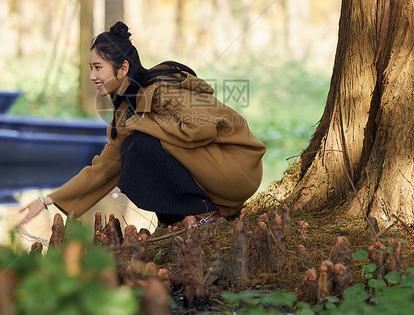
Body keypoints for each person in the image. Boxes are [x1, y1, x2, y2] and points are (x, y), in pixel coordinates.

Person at [16, 22, 266, 227]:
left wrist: (141, 125)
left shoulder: (164, 88)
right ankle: (177, 223)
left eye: (98, 68)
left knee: (140, 146)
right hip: (211, 170)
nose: (92, 76)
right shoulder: (127, 111)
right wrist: (47, 200)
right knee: (131, 150)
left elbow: (201, 129)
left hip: (235, 169)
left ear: (123, 68)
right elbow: (105, 168)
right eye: (90, 68)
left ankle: (207, 215)